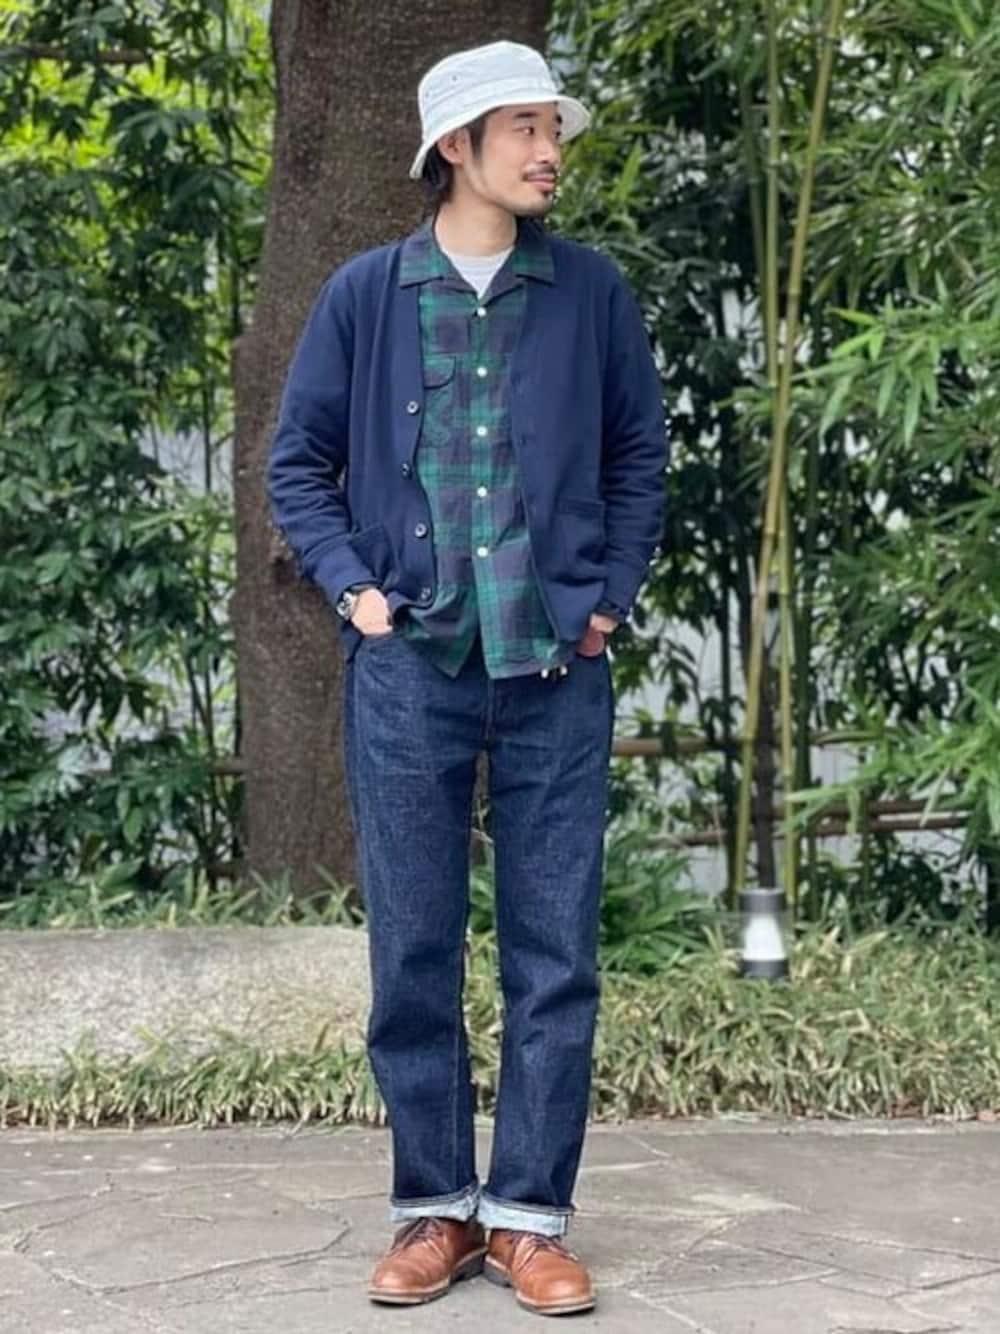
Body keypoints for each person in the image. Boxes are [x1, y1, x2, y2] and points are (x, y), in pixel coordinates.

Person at [268, 39, 667, 1318]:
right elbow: (297, 463)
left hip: (555, 666)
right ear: (457, 147)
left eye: (553, 128)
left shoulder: (590, 294)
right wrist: (358, 594)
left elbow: (638, 458)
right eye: (526, 129)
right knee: (413, 949)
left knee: (554, 954)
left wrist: (606, 597)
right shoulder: (365, 295)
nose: (551, 151)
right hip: (412, 666)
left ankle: (530, 1220)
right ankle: (435, 1208)